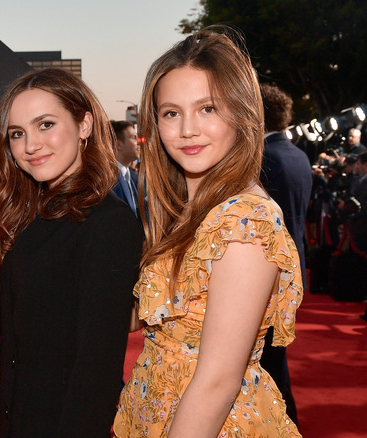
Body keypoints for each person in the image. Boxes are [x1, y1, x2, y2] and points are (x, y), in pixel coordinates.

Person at [113, 28, 303, 437]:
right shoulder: (190, 210)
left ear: (242, 112)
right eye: (170, 113)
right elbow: (146, 318)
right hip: (158, 409)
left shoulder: (244, 221)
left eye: (208, 109)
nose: (187, 130)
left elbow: (217, 381)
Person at [0, 68, 143, 437]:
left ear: (84, 124)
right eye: (17, 134)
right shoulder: (33, 214)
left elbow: (96, 370)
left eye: (45, 125)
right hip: (19, 413)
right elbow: (35, 319)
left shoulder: (108, 224)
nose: (30, 145)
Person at [258, 83, 313, 424]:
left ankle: (280, 421)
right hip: (293, 268)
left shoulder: (265, 158)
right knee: (274, 355)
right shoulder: (298, 155)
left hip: (269, 272)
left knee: (265, 361)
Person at [110, 120, 141, 217]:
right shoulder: (108, 181)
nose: (138, 142)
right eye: (134, 138)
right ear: (118, 145)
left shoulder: (129, 176)